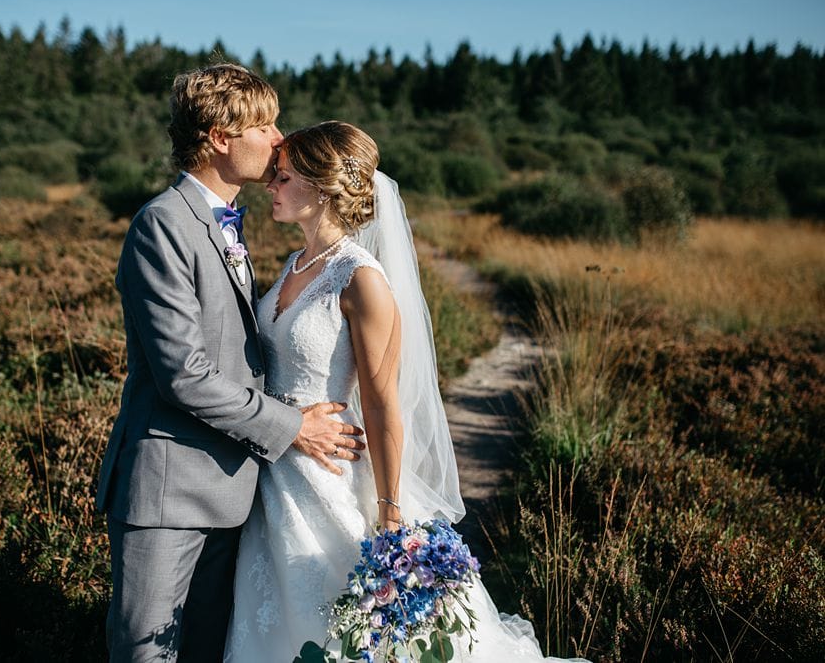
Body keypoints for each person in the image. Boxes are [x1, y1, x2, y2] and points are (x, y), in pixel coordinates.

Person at [224, 121, 589, 662]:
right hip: (277, 471)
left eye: (283, 177)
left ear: (322, 186)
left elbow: (382, 402)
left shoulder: (360, 279)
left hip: (332, 478)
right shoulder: (294, 266)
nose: (271, 187)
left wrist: (390, 514)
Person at [94, 67, 366, 662]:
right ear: (220, 136)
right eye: (264, 125)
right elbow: (184, 373)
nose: (278, 138)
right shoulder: (163, 225)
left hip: (233, 491)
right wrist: (297, 426)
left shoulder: (227, 224)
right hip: (167, 493)